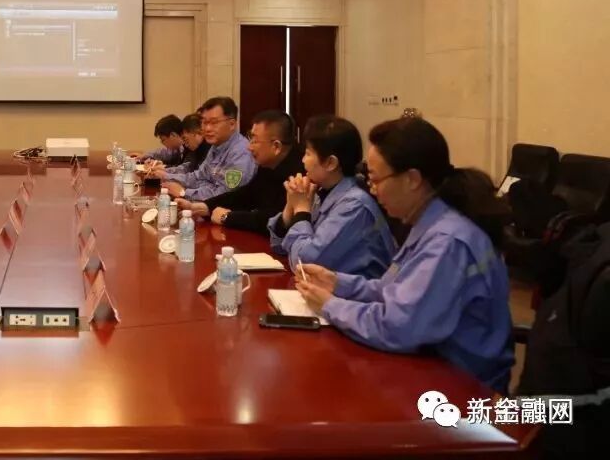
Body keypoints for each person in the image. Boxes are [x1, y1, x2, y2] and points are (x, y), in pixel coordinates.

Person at [295, 117, 514, 393]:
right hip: (427, 366)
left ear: (412, 179)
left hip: (462, 387)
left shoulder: (447, 241)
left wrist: (330, 305)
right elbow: (394, 291)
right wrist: (337, 283)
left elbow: (397, 326)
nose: (372, 189)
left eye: (376, 179)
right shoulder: (428, 222)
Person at [267, 115, 395, 278]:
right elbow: (279, 245)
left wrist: (301, 211)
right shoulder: (322, 192)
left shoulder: (353, 206)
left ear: (330, 163)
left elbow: (305, 264)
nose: (303, 160)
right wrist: (290, 207)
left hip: (356, 292)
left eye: (308, 154)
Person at [178, 110, 305, 235]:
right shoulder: (267, 164)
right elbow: (247, 194)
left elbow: (277, 220)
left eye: (255, 141)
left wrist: (227, 217)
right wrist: (205, 207)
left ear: (276, 146)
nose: (249, 147)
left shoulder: (299, 175)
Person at [157, 97, 255, 201]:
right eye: (204, 122)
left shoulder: (241, 152)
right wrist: (166, 176)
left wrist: (184, 192)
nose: (207, 128)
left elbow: (225, 195)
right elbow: (199, 177)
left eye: (214, 122)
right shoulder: (216, 146)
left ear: (232, 124)